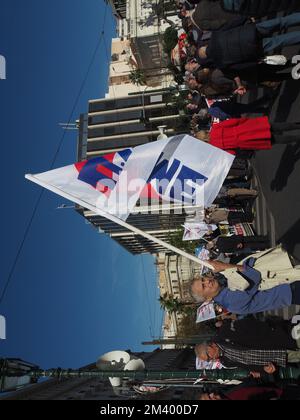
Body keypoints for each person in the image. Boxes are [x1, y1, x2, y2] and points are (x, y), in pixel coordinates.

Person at [190, 249, 300, 315]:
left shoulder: (224, 284)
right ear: (207, 298)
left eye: (203, 279)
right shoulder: (230, 302)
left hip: (285, 280)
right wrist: (224, 266)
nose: (207, 282)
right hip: (289, 290)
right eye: (204, 287)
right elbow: (253, 276)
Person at [198, 13, 300, 71]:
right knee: (280, 22)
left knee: (280, 41)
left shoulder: (220, 63)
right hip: (249, 32)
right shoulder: (215, 36)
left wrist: (255, 61)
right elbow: (231, 24)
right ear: (205, 46)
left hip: (251, 49)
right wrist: (245, 18)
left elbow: (239, 66)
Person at [196, 117, 300, 155]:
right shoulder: (215, 128)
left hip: (245, 142)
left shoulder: (215, 147)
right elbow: (234, 121)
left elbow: (231, 152)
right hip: (245, 129)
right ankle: (296, 126)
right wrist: (245, 121)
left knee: (274, 139)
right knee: (275, 127)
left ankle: (297, 138)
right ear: (204, 133)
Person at [195, 340, 300, 375]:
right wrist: (263, 369)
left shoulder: (224, 336)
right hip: (280, 358)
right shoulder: (225, 361)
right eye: (209, 360)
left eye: (208, 358)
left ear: (209, 347)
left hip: (280, 344)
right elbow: (247, 366)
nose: (211, 360)